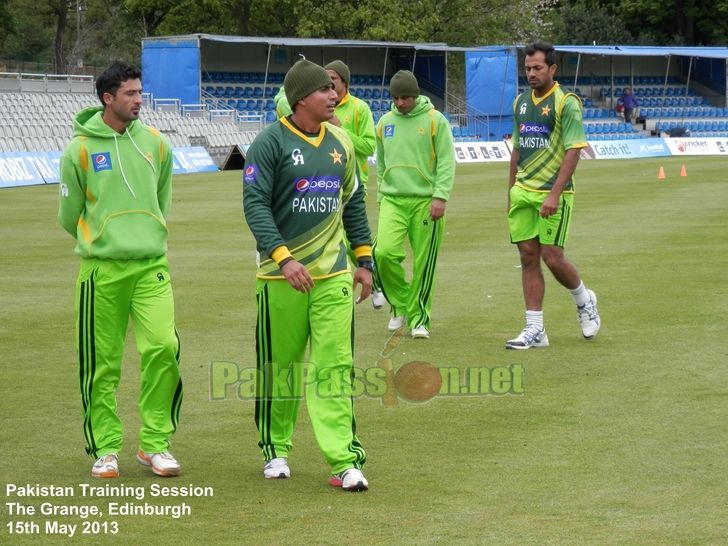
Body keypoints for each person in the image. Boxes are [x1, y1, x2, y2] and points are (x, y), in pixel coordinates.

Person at [243, 58, 372, 492]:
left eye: (333, 91)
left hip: (333, 274)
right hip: (281, 278)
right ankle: (276, 450)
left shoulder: (343, 142)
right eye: (324, 91)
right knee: (281, 368)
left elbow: (352, 203)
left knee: (334, 365)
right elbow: (255, 204)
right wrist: (284, 258)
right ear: (302, 98)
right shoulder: (269, 143)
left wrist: (365, 260)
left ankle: (343, 461)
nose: (334, 96)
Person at [58, 60, 183, 478]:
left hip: (151, 266)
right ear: (108, 98)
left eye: (140, 92)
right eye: (130, 94)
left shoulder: (157, 143)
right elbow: (68, 214)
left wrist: (144, 234)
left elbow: (161, 199)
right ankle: (106, 447)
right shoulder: (79, 149)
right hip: (102, 272)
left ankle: (155, 444)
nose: (138, 100)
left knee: (164, 348)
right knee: (102, 362)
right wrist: (104, 239)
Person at [506, 41, 601, 350]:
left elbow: (575, 149)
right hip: (523, 191)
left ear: (552, 69)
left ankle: (585, 300)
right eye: (528, 68)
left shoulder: (566, 102)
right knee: (528, 256)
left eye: (537, 68)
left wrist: (555, 194)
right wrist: (510, 191)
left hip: (553, 194)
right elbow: (517, 148)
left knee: (552, 256)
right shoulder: (520, 102)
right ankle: (535, 329)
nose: (531, 73)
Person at [274, 61, 385, 308]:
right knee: (338, 241)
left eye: (334, 80)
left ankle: (368, 277)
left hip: (352, 182)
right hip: (316, 186)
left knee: (345, 240)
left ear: (345, 81)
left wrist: (341, 130)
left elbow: (368, 146)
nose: (332, 91)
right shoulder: (272, 140)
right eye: (325, 85)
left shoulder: (359, 108)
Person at [373, 70, 455, 339]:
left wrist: (440, 196)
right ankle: (400, 303)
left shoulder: (435, 121)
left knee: (423, 263)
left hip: (425, 202)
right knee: (382, 253)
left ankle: (419, 318)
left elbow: (445, 161)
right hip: (393, 200)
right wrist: (381, 197)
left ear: (415, 95)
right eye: (395, 98)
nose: (400, 103)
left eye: (405, 97)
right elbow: (381, 163)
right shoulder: (385, 122)